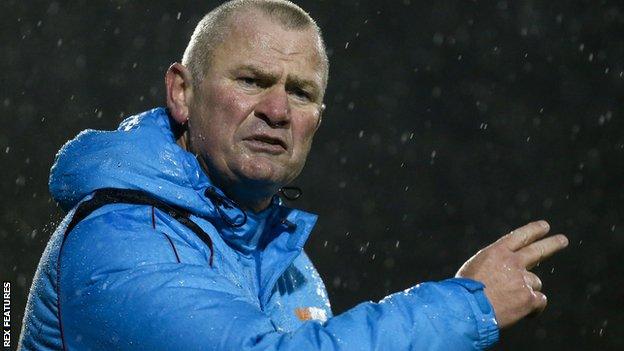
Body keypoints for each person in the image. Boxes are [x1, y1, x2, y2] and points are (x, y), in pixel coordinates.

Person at [18, 0, 568, 350]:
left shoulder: (286, 261)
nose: (277, 111)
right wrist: (466, 305)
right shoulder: (120, 236)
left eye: (300, 92)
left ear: (317, 120)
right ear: (182, 93)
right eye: (252, 80)